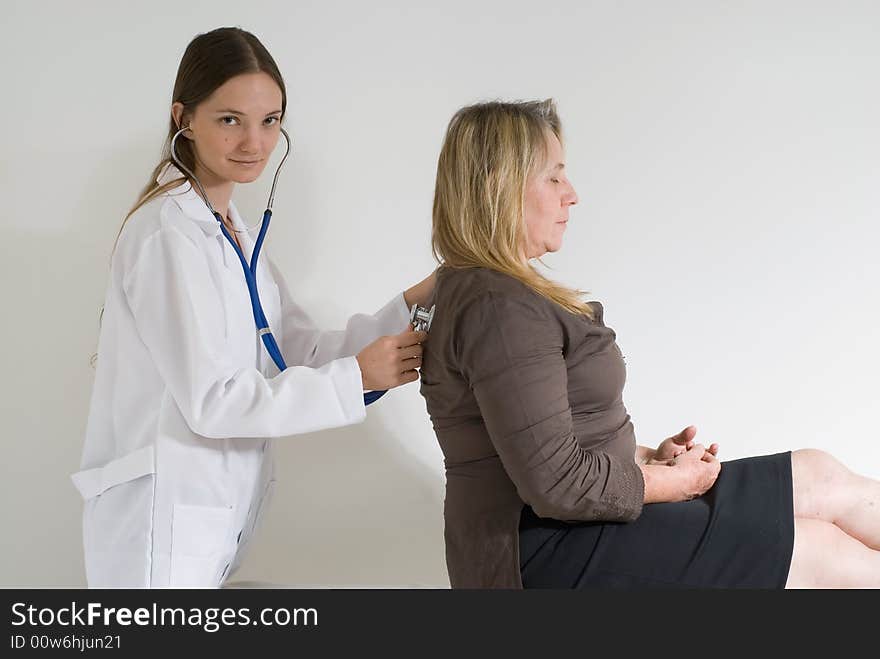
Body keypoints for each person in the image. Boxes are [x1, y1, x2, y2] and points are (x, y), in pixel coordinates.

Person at [418, 99, 880, 589]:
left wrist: (645, 458)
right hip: (544, 552)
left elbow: (543, 440)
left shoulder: (503, 293)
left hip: (575, 524)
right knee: (822, 553)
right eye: (553, 177)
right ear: (498, 185)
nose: (571, 195)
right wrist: (672, 482)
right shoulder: (497, 306)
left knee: (819, 475)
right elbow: (556, 484)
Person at [72, 27, 434, 588]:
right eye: (230, 119)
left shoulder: (236, 239)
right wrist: (356, 378)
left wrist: (416, 300)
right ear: (183, 118)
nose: (254, 142)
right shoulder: (168, 236)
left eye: (270, 121)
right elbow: (213, 402)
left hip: (207, 520)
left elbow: (296, 350)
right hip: (158, 527)